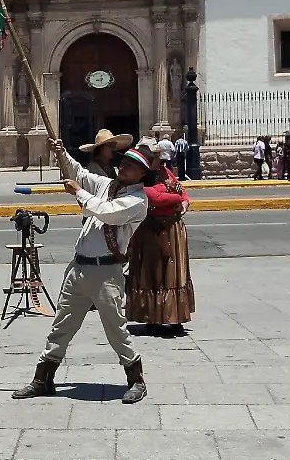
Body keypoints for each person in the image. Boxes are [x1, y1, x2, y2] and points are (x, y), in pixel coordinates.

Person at [14, 137, 152, 405]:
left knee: (116, 329)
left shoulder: (137, 201)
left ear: (142, 174)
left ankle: (136, 379)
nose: (123, 167)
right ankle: (43, 378)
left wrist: (78, 192)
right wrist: (61, 153)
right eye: (124, 162)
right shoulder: (107, 185)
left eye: (131, 166)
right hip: (79, 267)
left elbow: (108, 213)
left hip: (106, 273)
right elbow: (79, 173)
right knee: (62, 325)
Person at [126, 141, 194, 336]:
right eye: (155, 156)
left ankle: (175, 316)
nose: (160, 160)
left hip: (173, 229)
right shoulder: (141, 179)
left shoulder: (165, 172)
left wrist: (184, 202)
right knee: (153, 273)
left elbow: (182, 192)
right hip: (152, 230)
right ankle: (153, 318)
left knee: (174, 273)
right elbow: (154, 197)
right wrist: (176, 197)